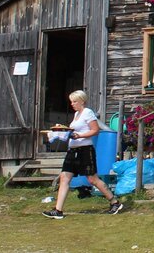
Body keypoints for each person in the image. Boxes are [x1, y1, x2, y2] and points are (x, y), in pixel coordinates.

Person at [42, 91, 124, 219]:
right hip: (73, 150)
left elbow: (95, 130)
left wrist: (79, 135)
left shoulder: (88, 112)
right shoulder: (76, 114)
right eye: (71, 101)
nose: (72, 104)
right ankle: (58, 210)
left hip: (85, 150)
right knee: (65, 177)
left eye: (74, 101)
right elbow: (73, 131)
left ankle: (114, 202)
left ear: (82, 101)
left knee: (92, 179)